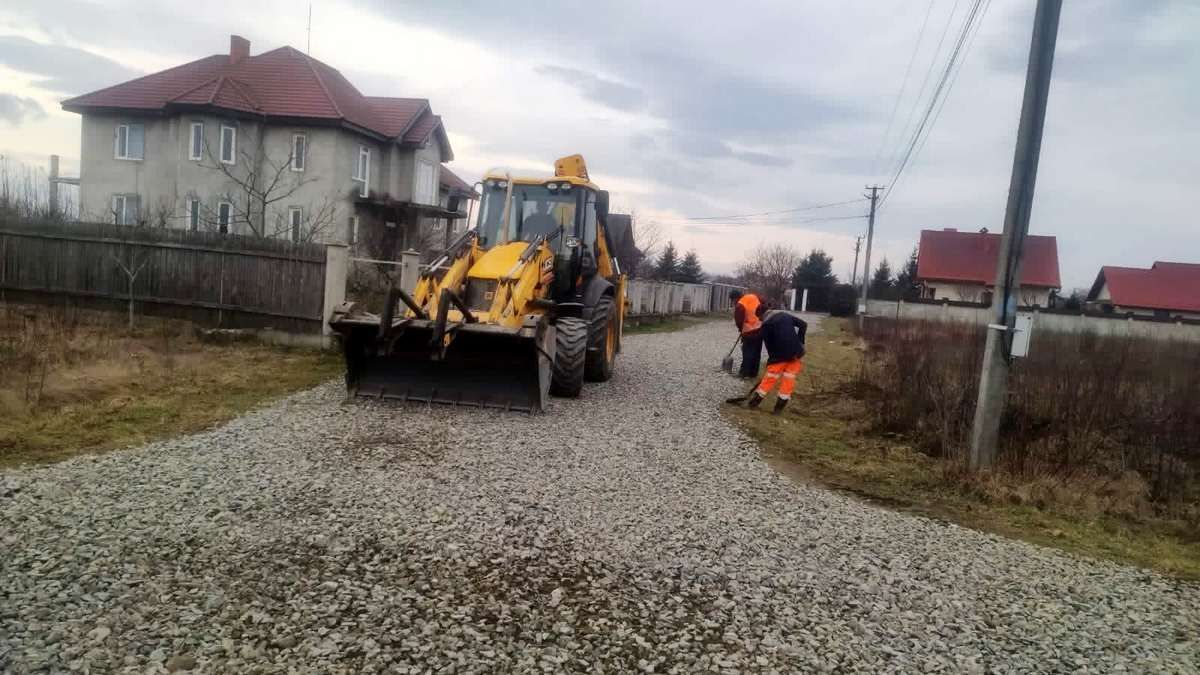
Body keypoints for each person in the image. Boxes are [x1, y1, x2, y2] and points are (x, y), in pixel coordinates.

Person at [746, 310, 808, 415]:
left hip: (779, 357)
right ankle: (778, 409)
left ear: (762, 316)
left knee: (769, 379)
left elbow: (769, 346)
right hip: (795, 354)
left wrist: (771, 360)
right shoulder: (785, 315)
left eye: (760, 319)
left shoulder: (766, 325)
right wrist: (800, 342)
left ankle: (753, 403)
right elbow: (803, 325)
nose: (761, 321)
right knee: (788, 381)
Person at [729, 289, 765, 378]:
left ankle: (745, 373)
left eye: (732, 300)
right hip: (760, 329)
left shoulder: (740, 305)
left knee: (747, 352)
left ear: (735, 298)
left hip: (749, 332)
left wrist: (741, 329)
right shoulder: (753, 296)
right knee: (756, 352)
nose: (733, 302)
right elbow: (763, 304)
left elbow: (739, 321)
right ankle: (753, 373)